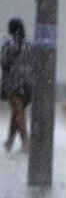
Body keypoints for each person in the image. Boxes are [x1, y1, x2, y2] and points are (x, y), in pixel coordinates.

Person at [1, 18, 34, 153]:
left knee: (18, 111)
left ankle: (25, 142)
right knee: (18, 111)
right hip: (29, 84)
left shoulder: (8, 42)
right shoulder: (31, 44)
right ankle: (9, 141)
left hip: (13, 82)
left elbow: (3, 60)